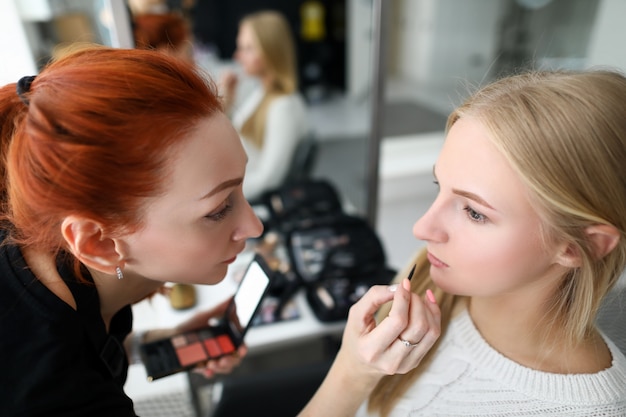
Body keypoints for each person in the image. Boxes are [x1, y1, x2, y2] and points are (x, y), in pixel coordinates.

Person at [0, 46, 440, 416]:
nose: (254, 225)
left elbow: (86, 333)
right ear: (98, 242)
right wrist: (354, 372)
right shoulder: (49, 393)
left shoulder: (39, 239)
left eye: (241, 190)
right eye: (218, 209)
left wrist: (163, 343)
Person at [357, 70, 626, 416]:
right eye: (439, 186)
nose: (422, 227)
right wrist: (354, 370)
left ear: (578, 247)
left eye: (474, 212)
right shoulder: (430, 275)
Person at [220, 10, 311, 201]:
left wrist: (222, 196)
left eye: (248, 48)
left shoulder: (284, 107)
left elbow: (269, 180)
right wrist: (226, 105)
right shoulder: (261, 93)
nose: (238, 56)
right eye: (240, 47)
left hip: (250, 200)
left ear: (270, 51)